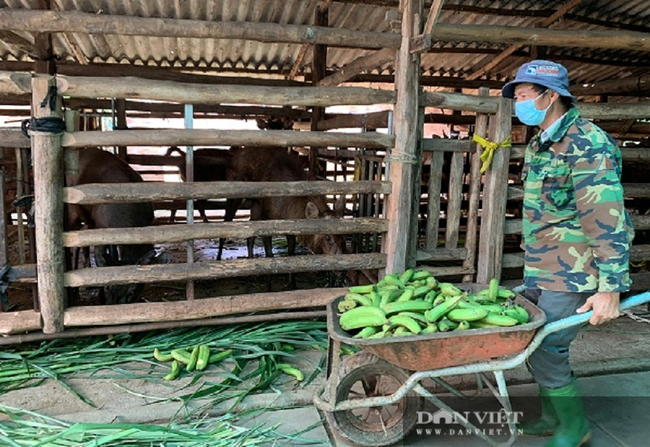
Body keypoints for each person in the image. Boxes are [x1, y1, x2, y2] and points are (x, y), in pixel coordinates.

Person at [501, 60, 634, 447]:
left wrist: (610, 288)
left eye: (525, 96)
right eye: (517, 98)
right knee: (539, 342)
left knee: (548, 346)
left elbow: (605, 218)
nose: (519, 104)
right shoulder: (541, 142)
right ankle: (550, 417)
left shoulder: (587, 144)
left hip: (574, 270)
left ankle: (574, 428)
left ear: (551, 96)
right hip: (543, 264)